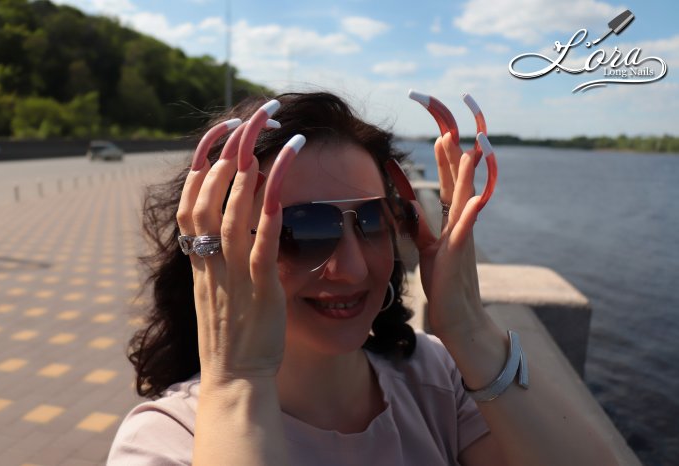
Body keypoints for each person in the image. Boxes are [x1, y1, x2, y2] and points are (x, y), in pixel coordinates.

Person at [107, 92, 617, 465]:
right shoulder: (169, 439)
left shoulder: (431, 376)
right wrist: (239, 380)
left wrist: (469, 328)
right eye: (302, 228)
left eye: (371, 220)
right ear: (218, 250)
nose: (351, 267)